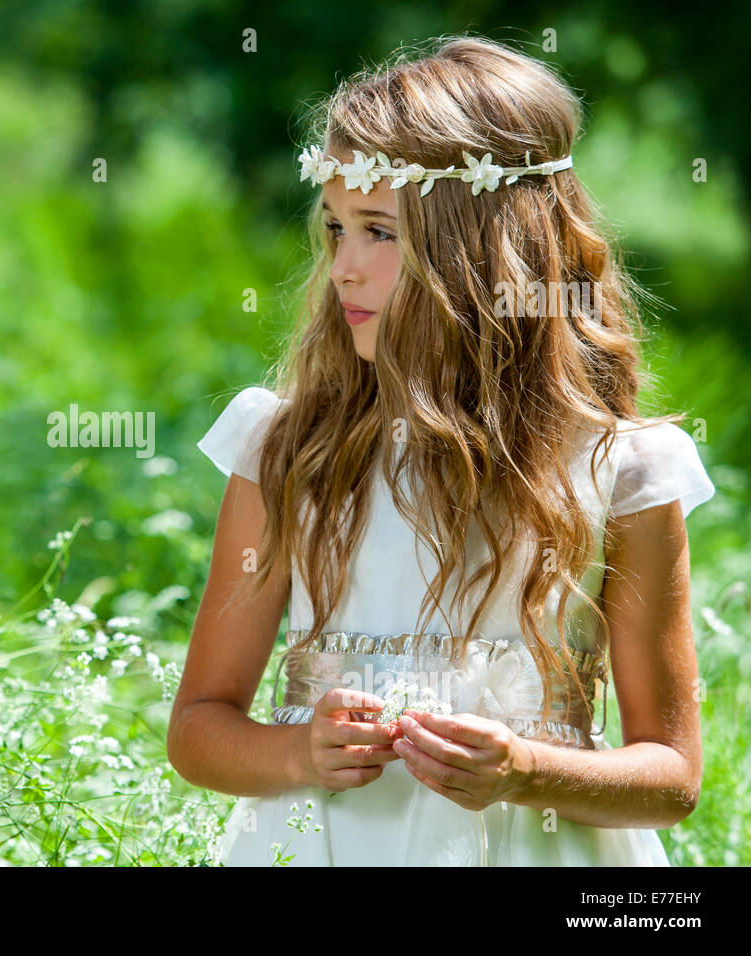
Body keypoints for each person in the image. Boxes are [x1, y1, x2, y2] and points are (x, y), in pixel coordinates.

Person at [167, 36, 716, 866]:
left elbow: (671, 777)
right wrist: (296, 754)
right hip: (321, 844)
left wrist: (524, 769)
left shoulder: (623, 470)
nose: (342, 268)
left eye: (379, 233)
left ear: (480, 250)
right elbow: (199, 726)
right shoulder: (287, 450)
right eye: (335, 227)